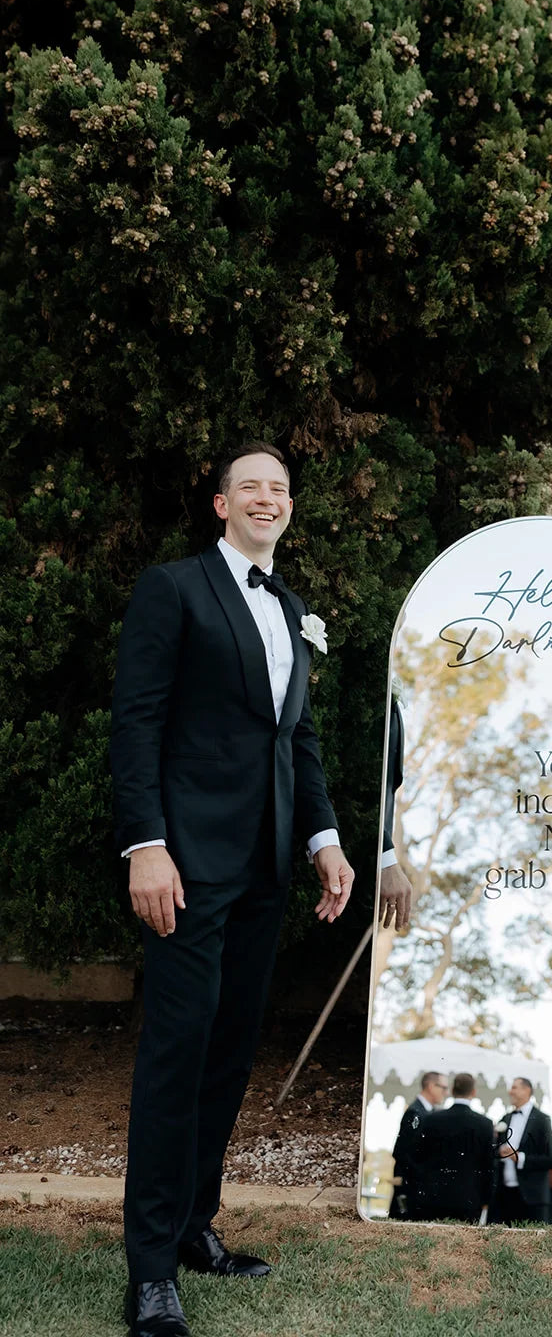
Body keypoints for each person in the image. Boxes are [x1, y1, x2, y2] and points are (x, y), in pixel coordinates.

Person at [111, 443, 412, 1337]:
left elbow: (297, 739)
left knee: (229, 1054)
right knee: (176, 1056)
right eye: (250, 486)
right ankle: (150, 1270)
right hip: (185, 869)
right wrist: (146, 846)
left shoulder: (289, 607)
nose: (267, 498)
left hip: (262, 875)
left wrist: (324, 840)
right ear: (220, 505)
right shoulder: (173, 590)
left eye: (279, 488)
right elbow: (137, 725)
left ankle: (195, 1224)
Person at [415, 1073, 496, 1223]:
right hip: (469, 1199)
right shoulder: (485, 1124)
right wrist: (486, 1199)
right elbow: (489, 1165)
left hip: (433, 1197)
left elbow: (420, 1156)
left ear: (452, 1090)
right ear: (473, 1092)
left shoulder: (432, 1119)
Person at [491, 1075, 552, 1224]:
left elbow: (549, 1160)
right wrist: (499, 1151)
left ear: (527, 1090)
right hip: (504, 1195)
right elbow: (493, 1150)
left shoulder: (542, 1120)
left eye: (514, 1087)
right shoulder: (505, 1118)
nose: (510, 1092)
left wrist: (520, 1157)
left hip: (531, 1197)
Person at [389, 1070, 447, 1219]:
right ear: (431, 1086)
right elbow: (401, 1151)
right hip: (411, 1186)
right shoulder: (416, 1112)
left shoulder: (428, 1112)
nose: (446, 1093)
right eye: (443, 1088)